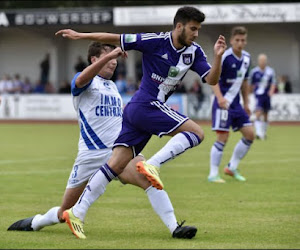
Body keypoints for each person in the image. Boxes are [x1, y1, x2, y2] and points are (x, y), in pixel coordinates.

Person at [55, 6, 226, 239]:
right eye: (193, 29)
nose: (196, 34)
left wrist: (217, 57)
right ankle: (153, 164)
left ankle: (78, 212)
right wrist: (80, 36)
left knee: (113, 166)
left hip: (137, 112)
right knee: (197, 133)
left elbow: (211, 79)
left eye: (198, 29)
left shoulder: (194, 52)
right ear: (179, 26)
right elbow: (114, 38)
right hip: (146, 105)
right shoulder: (154, 41)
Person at [7, 42, 196, 240]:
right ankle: (35, 222)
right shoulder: (86, 81)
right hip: (90, 154)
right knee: (65, 211)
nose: (113, 62)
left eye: (115, 58)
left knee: (150, 180)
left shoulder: (113, 86)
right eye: (108, 57)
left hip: (118, 150)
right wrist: (110, 55)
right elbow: (81, 79)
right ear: (94, 60)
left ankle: (175, 228)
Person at [208, 26, 254, 183]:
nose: (240, 43)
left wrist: (246, 103)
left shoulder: (247, 58)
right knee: (223, 137)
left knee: (250, 135)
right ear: (232, 41)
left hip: (237, 105)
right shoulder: (225, 57)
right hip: (223, 103)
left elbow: (245, 82)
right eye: (237, 40)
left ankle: (231, 167)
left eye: (243, 40)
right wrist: (220, 98)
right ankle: (213, 174)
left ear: (245, 41)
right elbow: (212, 78)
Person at [249, 54, 276, 140]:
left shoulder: (270, 71)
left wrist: (271, 91)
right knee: (258, 112)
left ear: (266, 61)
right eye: (261, 60)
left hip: (266, 96)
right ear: (258, 61)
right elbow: (250, 84)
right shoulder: (254, 72)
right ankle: (258, 133)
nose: (262, 62)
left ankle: (263, 133)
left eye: (264, 60)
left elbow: (273, 83)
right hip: (258, 95)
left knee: (266, 115)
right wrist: (250, 92)